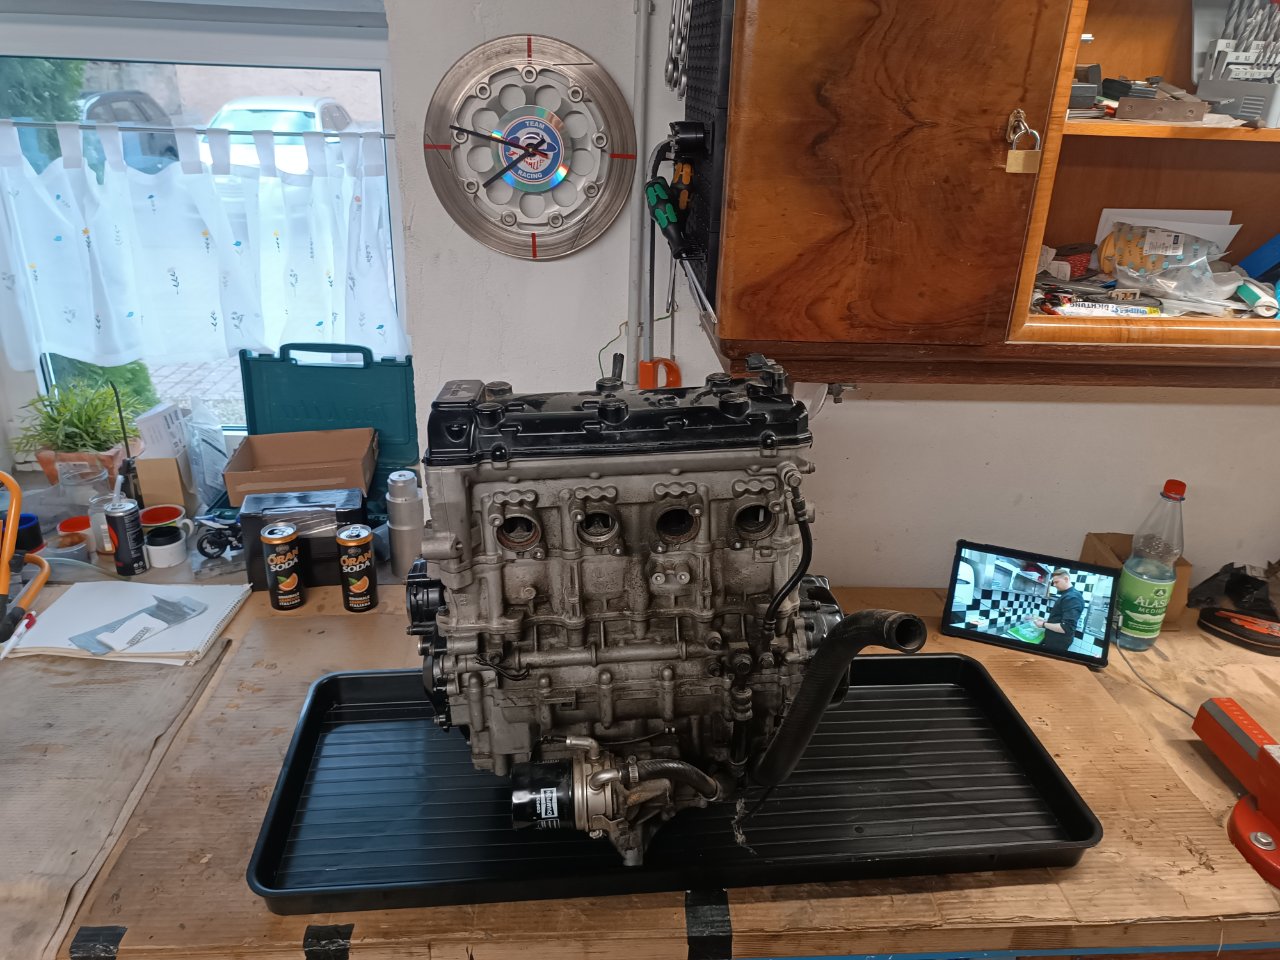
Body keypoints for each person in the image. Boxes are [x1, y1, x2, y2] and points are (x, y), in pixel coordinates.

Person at [1033, 569, 1084, 653]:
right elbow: (1060, 618)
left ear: (1066, 579)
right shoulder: (1067, 594)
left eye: (1056, 582)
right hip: (1055, 639)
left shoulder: (1072, 598)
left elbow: (1066, 628)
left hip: (1058, 643)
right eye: (1054, 583)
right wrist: (1046, 621)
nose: (1054, 585)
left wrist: (1043, 624)